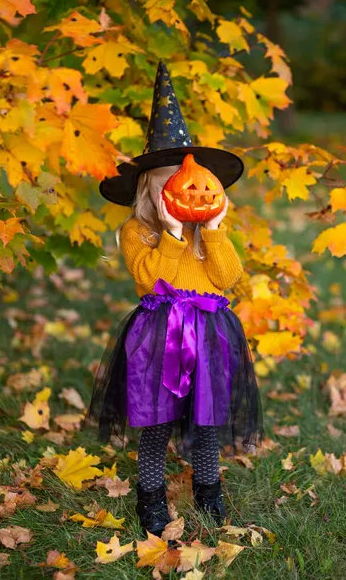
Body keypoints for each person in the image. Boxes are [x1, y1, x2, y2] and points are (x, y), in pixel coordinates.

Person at [82, 61, 264, 538]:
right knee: (157, 423)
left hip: (208, 333)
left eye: (184, 182)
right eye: (166, 182)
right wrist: (172, 233)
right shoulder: (136, 232)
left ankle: (209, 490)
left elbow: (228, 278)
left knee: (205, 421)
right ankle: (150, 498)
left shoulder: (213, 232)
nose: (178, 190)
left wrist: (215, 232)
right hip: (160, 334)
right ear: (149, 188)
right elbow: (151, 280)